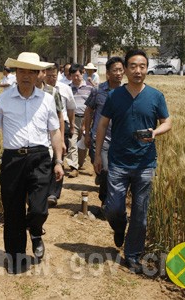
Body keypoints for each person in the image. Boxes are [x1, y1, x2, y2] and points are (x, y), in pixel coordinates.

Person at [0, 52, 64, 274]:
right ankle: (16, 258)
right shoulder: (3, 100)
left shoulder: (47, 100)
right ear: (15, 73)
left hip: (40, 158)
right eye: (21, 71)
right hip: (13, 160)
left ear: (39, 74)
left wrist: (58, 160)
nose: (26, 76)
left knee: (39, 208)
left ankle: (36, 231)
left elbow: (55, 132)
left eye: (31, 71)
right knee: (13, 211)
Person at [93, 49, 172, 274]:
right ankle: (119, 226)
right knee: (113, 208)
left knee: (140, 213)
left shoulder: (156, 96)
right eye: (133, 66)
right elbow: (102, 125)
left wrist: (155, 132)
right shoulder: (114, 96)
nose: (138, 71)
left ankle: (133, 254)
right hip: (118, 162)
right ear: (126, 69)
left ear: (147, 69)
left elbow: (168, 122)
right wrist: (98, 154)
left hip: (145, 163)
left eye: (142, 66)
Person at [84, 57, 124, 206]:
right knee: (106, 170)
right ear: (108, 73)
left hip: (120, 140)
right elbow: (89, 111)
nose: (119, 73)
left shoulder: (126, 92)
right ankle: (105, 202)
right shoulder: (97, 91)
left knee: (116, 173)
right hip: (101, 139)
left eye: (121, 70)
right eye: (115, 70)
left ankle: (111, 199)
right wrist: (87, 133)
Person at [45, 63, 76, 206]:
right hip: (44, 129)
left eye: (54, 76)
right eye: (49, 75)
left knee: (58, 160)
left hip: (60, 126)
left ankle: (53, 193)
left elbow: (69, 110)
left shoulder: (65, 89)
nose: (52, 78)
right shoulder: (41, 90)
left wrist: (71, 128)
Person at [67, 64, 92, 178]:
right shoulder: (67, 89)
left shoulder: (90, 88)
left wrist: (87, 122)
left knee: (83, 143)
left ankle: (80, 163)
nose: (76, 78)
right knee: (72, 142)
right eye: (73, 76)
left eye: (77, 75)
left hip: (86, 119)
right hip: (72, 118)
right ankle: (74, 167)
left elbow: (92, 107)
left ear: (83, 73)